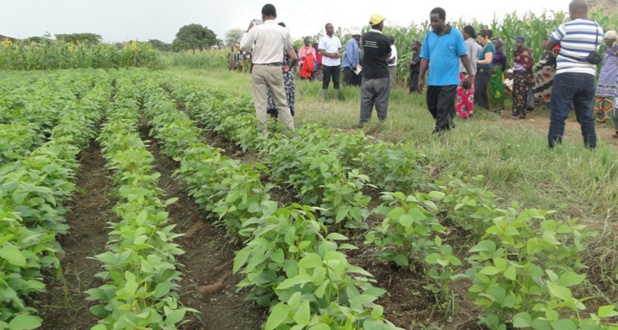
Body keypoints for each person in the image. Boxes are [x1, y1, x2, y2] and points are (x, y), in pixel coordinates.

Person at [545, 0, 603, 149]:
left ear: (571, 11)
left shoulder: (566, 26)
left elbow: (549, 45)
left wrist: (547, 44)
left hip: (566, 75)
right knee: (587, 116)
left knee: (559, 114)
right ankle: (591, 148)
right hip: (588, 76)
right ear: (586, 10)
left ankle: (555, 148)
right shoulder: (598, 28)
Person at [418, 7, 474, 134]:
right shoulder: (429, 36)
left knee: (442, 107)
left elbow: (463, 56)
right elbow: (424, 59)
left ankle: (439, 132)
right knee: (432, 106)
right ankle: (448, 121)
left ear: (443, 19)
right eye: (431, 21)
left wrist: (470, 75)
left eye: (436, 21)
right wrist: (420, 78)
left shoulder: (455, 34)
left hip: (449, 79)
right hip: (433, 79)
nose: (433, 24)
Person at [240, 4, 295, 132]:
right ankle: (291, 133)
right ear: (275, 16)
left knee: (260, 104)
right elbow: (289, 49)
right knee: (282, 103)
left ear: (262, 16)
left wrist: (248, 30)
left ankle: (263, 136)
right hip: (276, 68)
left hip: (259, 68)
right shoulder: (283, 31)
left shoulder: (256, 29)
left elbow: (243, 47)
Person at [355, 14, 392, 127]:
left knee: (366, 100)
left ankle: (363, 122)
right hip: (381, 75)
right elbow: (388, 53)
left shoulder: (364, 37)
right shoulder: (385, 39)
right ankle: (382, 123)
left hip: (367, 75)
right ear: (380, 25)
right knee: (381, 100)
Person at [266, 22, 297, 118]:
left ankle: (274, 125)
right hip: (285, 75)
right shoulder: (286, 44)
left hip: (275, 73)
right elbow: (294, 58)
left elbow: (294, 57)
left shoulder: (273, 45)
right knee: (285, 100)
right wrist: (289, 67)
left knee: (274, 99)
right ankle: (287, 125)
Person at [593, 30, 618, 136]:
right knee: (605, 100)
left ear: (613, 39)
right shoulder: (606, 49)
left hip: (614, 78)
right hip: (604, 77)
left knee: (615, 104)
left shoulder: (616, 49)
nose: (606, 41)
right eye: (605, 39)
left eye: (608, 39)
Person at [456, 25, 478, 118]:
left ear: (467, 33)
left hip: (464, 71)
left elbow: (466, 59)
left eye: (463, 32)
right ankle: (469, 112)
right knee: (469, 93)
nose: (462, 34)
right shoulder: (474, 43)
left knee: (462, 93)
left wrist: (467, 73)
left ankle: (462, 113)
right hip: (471, 72)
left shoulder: (466, 44)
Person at [511, 36, 535, 119]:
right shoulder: (516, 52)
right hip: (516, 74)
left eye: (520, 42)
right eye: (517, 42)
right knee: (515, 93)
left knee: (521, 93)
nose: (518, 44)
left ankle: (521, 113)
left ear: (523, 43)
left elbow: (530, 62)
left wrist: (529, 76)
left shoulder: (525, 52)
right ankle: (515, 112)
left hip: (522, 74)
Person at [319, 23, 343, 100]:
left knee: (336, 80)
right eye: (330, 28)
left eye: (332, 28)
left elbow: (340, 48)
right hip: (327, 63)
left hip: (336, 63)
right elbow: (322, 51)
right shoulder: (323, 39)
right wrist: (331, 55)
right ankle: (325, 98)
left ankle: (336, 98)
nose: (332, 29)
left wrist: (338, 53)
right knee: (326, 81)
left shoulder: (337, 39)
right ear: (326, 29)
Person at [533, 41, 559, 106]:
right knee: (542, 88)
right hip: (542, 74)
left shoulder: (550, 53)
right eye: (542, 43)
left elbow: (545, 63)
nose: (543, 44)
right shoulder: (545, 53)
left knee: (547, 88)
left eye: (545, 43)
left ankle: (547, 103)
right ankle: (541, 102)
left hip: (547, 74)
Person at [474, 30, 494, 111]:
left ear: (486, 37)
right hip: (481, 70)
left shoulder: (490, 46)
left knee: (477, 92)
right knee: (483, 93)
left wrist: (476, 61)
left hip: (484, 71)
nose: (480, 40)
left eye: (480, 38)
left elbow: (487, 60)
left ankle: (480, 108)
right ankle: (485, 109)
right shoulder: (486, 46)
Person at [489, 38, 507, 111]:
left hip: (498, 73)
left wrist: (498, 70)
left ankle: (499, 106)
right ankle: (491, 106)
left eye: (496, 43)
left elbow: (504, 65)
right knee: (491, 89)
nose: (494, 44)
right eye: (493, 43)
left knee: (498, 88)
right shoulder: (491, 52)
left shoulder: (501, 54)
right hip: (490, 72)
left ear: (499, 44)